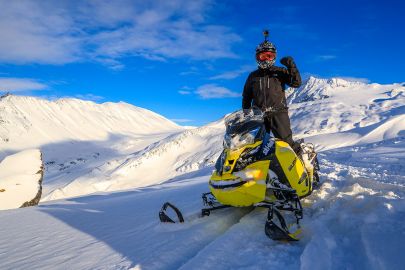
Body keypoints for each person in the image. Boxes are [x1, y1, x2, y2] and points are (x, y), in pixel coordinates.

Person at [242, 31, 302, 152]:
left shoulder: (280, 71)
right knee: (256, 145)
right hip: (259, 116)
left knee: (286, 143)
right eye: (263, 56)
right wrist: (247, 113)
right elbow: (247, 96)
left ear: (274, 57)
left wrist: (292, 66)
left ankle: (303, 165)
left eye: (269, 56)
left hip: (278, 113)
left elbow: (296, 83)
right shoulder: (253, 76)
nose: (266, 59)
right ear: (257, 57)